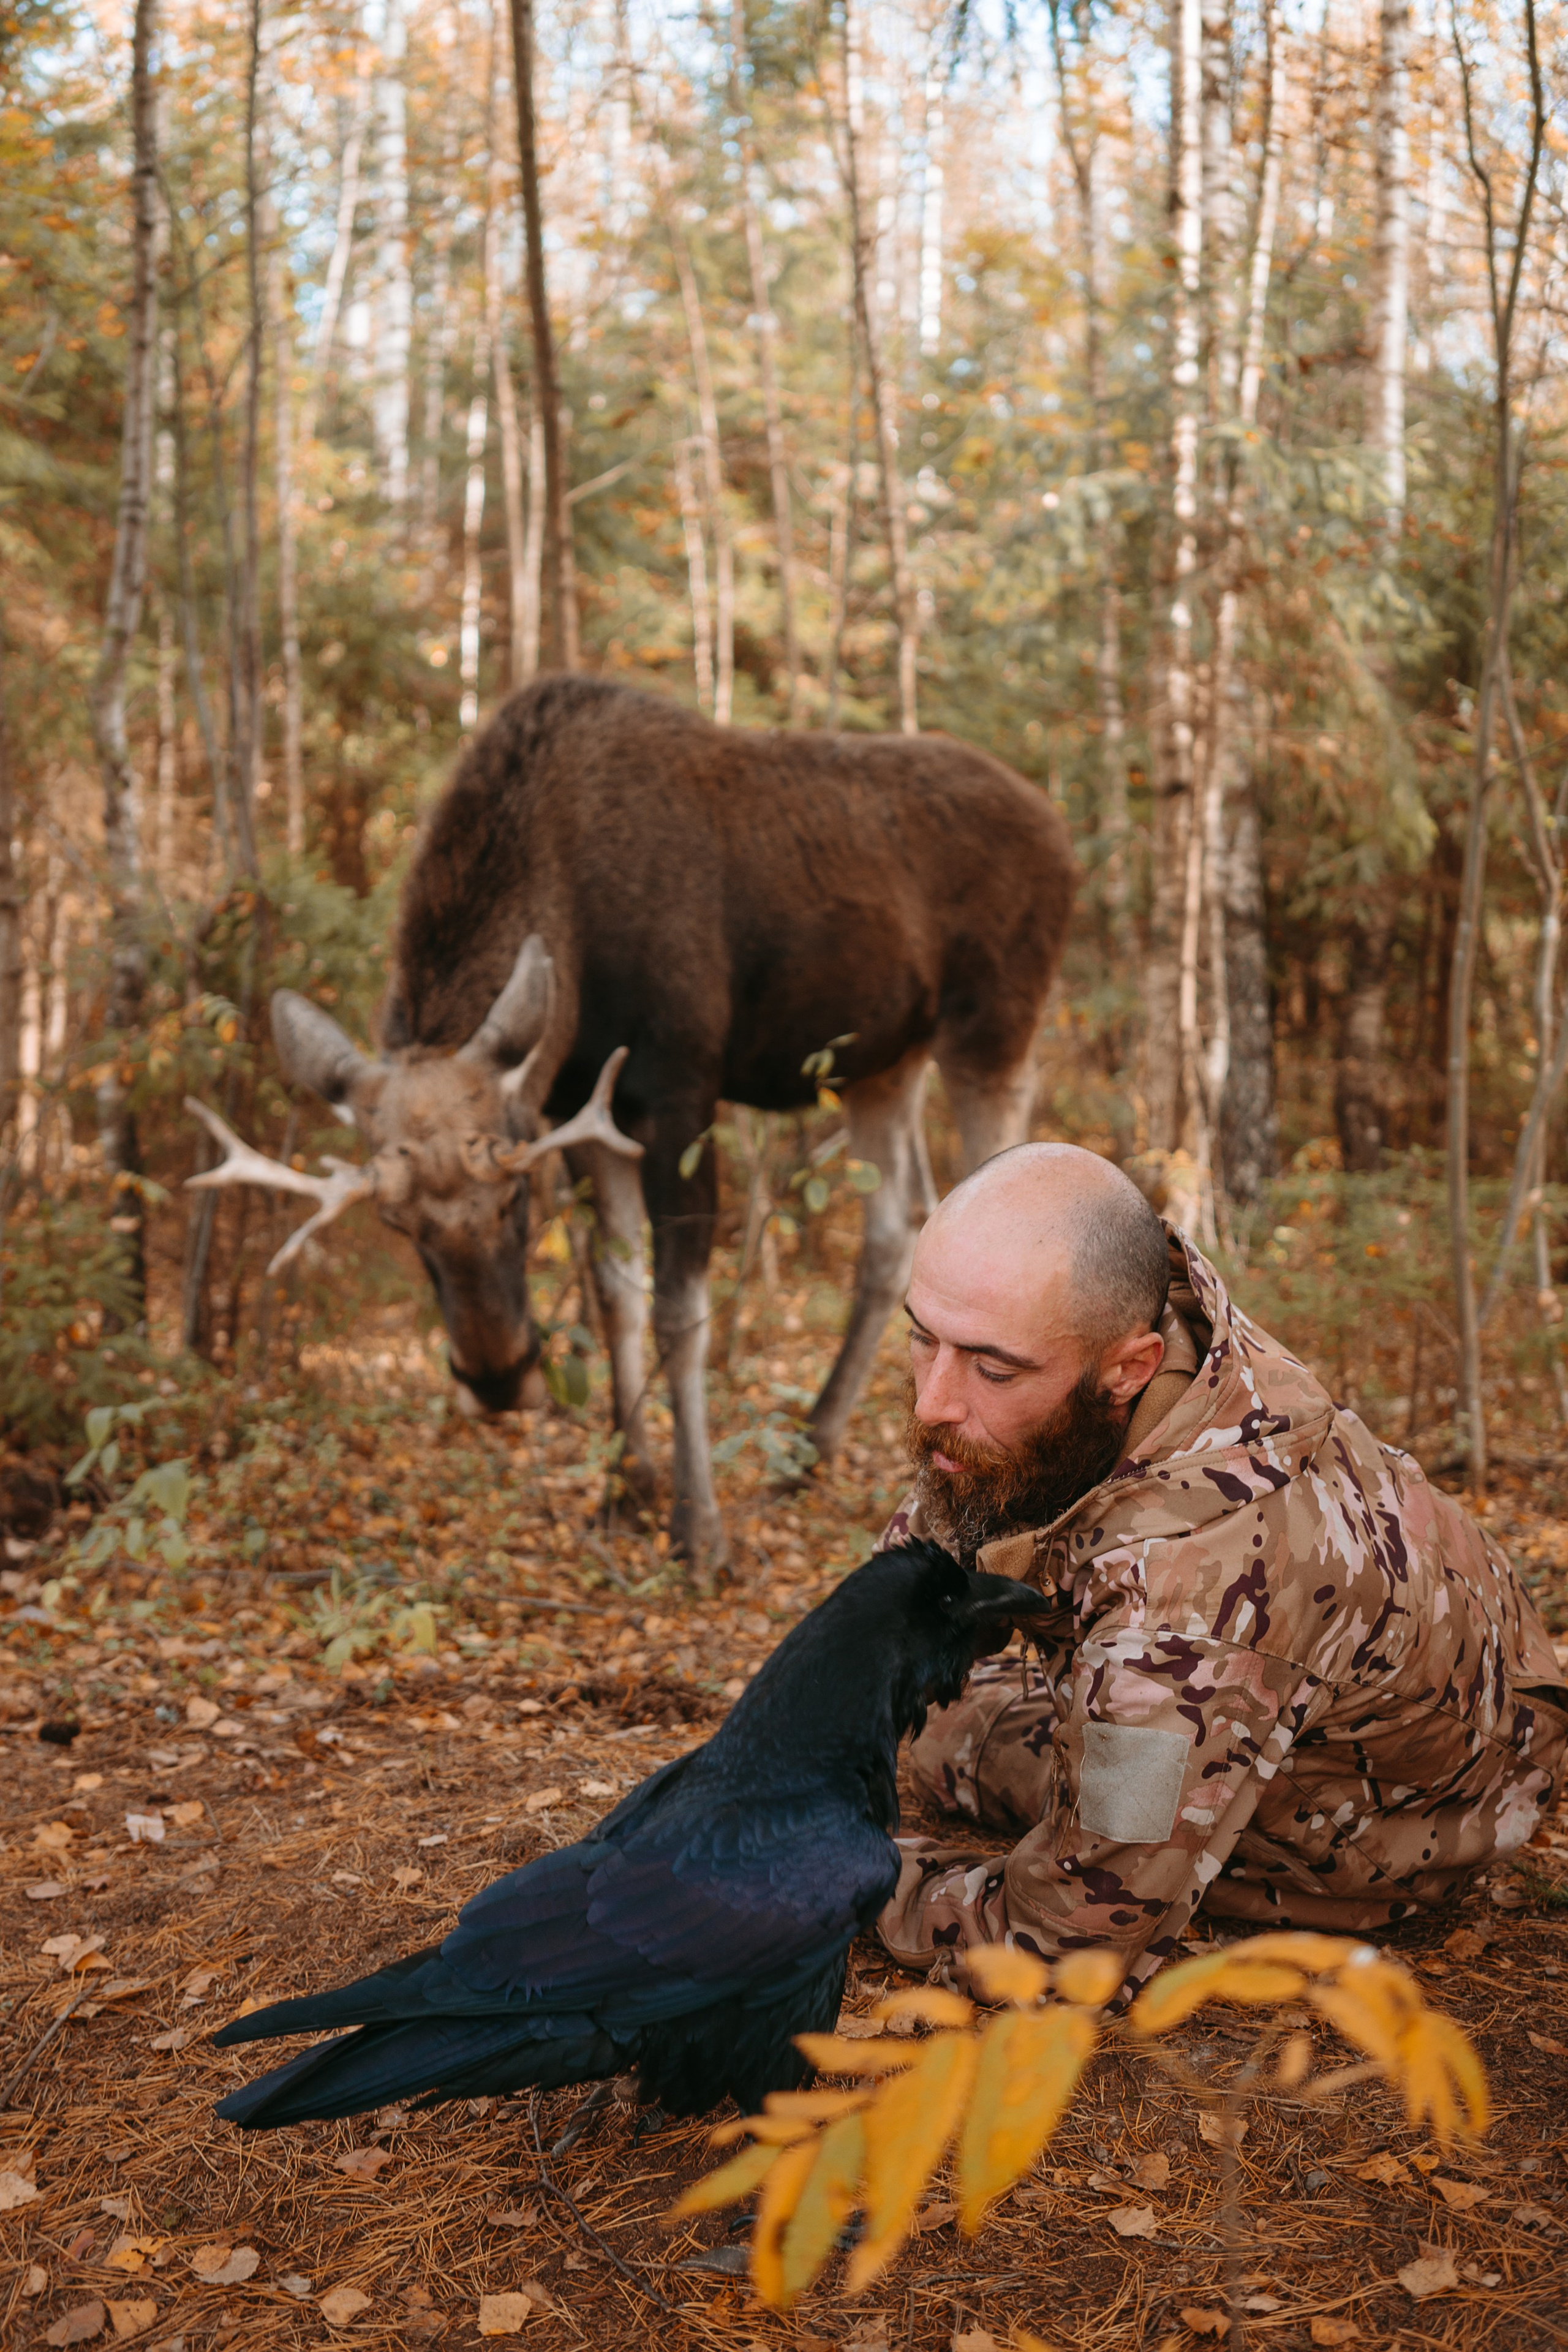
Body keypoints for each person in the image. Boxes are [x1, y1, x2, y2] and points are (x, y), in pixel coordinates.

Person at [874, 1142, 1568, 1996]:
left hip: (1418, 1815)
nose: (932, 1402)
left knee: (1008, 1773)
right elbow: (911, 1585)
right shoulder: (1150, 1337)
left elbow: (1063, 1951)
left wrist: (833, 1877)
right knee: (949, 1730)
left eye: (990, 1367)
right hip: (1364, 1692)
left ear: (1126, 1370)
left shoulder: (1185, 1608)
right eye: (921, 1340)